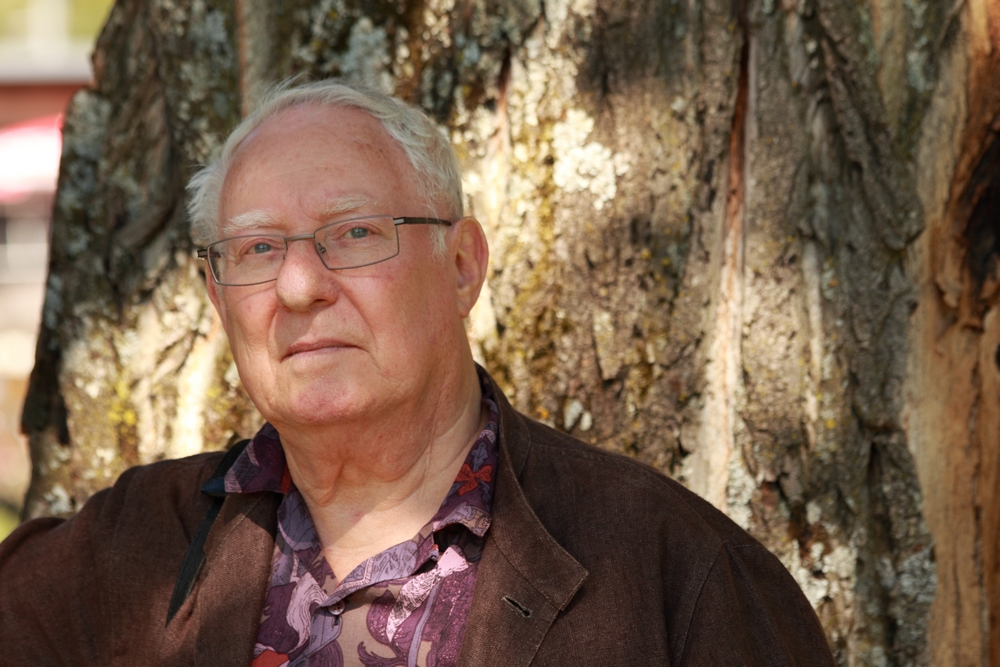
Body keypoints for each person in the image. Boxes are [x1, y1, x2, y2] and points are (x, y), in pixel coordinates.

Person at [0, 79, 835, 666]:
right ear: (218, 295)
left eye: (355, 233)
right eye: (257, 249)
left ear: (464, 265)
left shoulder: (673, 575)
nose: (299, 285)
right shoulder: (123, 554)